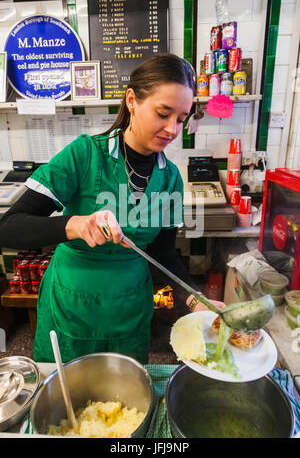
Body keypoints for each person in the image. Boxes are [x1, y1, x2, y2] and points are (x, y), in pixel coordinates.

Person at [0, 53, 224, 364]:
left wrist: (194, 298)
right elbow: (9, 226)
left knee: (126, 397)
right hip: (73, 305)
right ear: (132, 100)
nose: (173, 129)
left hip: (129, 309)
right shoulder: (85, 155)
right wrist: (73, 225)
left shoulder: (170, 176)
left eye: (181, 118)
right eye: (163, 113)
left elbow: (163, 253)